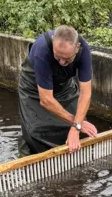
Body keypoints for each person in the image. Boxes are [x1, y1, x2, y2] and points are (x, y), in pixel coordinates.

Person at [17, 25, 98, 157]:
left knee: (83, 126)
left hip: (64, 86)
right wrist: (76, 124)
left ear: (77, 48)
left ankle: (73, 156)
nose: (61, 62)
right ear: (53, 44)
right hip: (33, 88)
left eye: (67, 59)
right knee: (35, 132)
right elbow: (46, 100)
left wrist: (76, 127)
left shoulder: (84, 51)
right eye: (57, 56)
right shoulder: (42, 50)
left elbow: (86, 93)